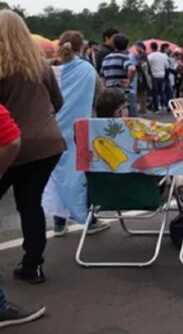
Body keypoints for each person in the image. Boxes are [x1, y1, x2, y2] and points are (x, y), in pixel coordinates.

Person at [0, 10, 67, 284]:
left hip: (12, 144)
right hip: (47, 144)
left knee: (25, 203)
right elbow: (58, 101)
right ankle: (33, 265)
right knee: (30, 204)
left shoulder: (2, 68)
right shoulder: (40, 65)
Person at [43, 31, 110, 238]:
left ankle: (59, 223)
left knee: (55, 176)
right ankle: (88, 219)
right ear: (82, 48)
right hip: (77, 131)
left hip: (50, 129)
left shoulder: (47, 69)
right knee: (78, 175)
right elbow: (101, 96)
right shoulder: (86, 70)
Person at [0, 104, 47, 328]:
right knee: (30, 205)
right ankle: (33, 265)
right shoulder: (40, 71)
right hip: (41, 143)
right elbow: (10, 140)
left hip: (29, 145)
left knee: (29, 206)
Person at [147, 42, 169, 112]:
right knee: (162, 91)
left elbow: (148, 66)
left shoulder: (150, 56)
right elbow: (167, 66)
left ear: (151, 48)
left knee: (154, 92)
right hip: (162, 75)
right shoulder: (164, 56)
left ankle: (156, 108)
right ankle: (166, 105)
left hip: (154, 75)